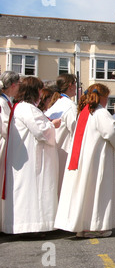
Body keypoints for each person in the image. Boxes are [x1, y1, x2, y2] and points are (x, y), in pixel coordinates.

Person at [54, 84, 115, 238]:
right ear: (103, 97)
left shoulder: (83, 113)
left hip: (82, 159)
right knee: (96, 190)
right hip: (96, 160)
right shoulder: (100, 113)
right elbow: (111, 133)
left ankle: (83, 225)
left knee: (85, 191)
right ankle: (95, 226)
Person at [2, 76, 60, 236]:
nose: (42, 94)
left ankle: (29, 226)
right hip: (31, 160)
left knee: (25, 192)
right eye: (40, 90)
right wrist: (53, 125)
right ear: (34, 91)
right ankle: (33, 226)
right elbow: (42, 132)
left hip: (24, 158)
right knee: (32, 192)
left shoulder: (20, 107)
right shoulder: (27, 108)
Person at [45, 74, 78, 196]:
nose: (76, 87)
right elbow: (76, 130)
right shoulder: (69, 106)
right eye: (75, 84)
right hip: (65, 150)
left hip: (54, 149)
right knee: (64, 188)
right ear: (70, 85)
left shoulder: (56, 104)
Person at [0, 71, 20, 233]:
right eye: (18, 84)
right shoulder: (2, 103)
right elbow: (6, 127)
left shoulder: (8, 102)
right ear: (12, 85)